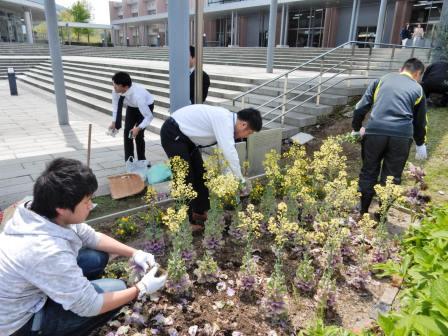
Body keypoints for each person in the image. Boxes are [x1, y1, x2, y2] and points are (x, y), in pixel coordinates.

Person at [0, 158, 167, 336]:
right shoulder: (47, 250)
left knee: (96, 257)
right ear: (62, 209)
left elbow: (92, 237)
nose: (91, 205)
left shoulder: (39, 208)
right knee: (117, 288)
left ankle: (71, 292)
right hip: (18, 324)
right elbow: (91, 306)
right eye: (86, 201)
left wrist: (135, 252)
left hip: (31, 288)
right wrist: (141, 288)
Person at [160, 105, 262, 223]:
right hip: (173, 132)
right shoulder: (225, 121)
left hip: (187, 139)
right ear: (243, 125)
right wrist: (240, 181)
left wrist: (230, 180)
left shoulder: (227, 122)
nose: (246, 136)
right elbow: (230, 153)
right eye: (249, 133)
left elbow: (224, 156)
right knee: (184, 178)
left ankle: (199, 212)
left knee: (200, 173)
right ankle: (184, 223)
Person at [351, 58, 428, 215]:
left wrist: (356, 128)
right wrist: (420, 143)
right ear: (418, 73)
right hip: (401, 136)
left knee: (369, 171)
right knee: (392, 177)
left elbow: (360, 107)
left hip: (375, 132)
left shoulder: (381, 80)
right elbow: (420, 122)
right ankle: (382, 215)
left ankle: (363, 212)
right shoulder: (418, 89)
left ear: (402, 69)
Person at [109, 72, 155, 163]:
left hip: (146, 106)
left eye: (116, 86)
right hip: (132, 107)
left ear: (125, 87)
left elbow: (149, 117)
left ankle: (142, 160)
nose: (114, 88)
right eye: (113, 85)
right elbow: (115, 106)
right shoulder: (116, 91)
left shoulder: (138, 96)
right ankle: (129, 161)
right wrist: (114, 121)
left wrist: (138, 128)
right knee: (128, 132)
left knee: (138, 135)